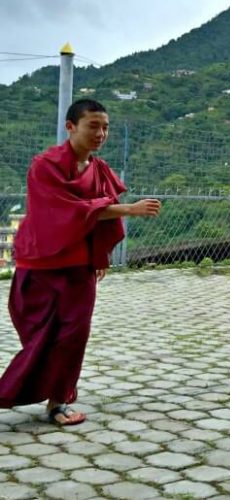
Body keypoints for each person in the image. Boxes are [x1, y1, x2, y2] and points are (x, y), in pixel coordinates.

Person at [0, 99, 161, 425]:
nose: (101, 133)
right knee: (40, 335)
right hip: (41, 263)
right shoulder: (44, 166)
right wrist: (129, 209)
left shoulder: (99, 170)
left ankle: (58, 403)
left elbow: (98, 220)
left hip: (79, 266)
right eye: (93, 126)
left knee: (74, 335)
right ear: (70, 127)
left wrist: (100, 256)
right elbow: (68, 211)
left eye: (105, 127)